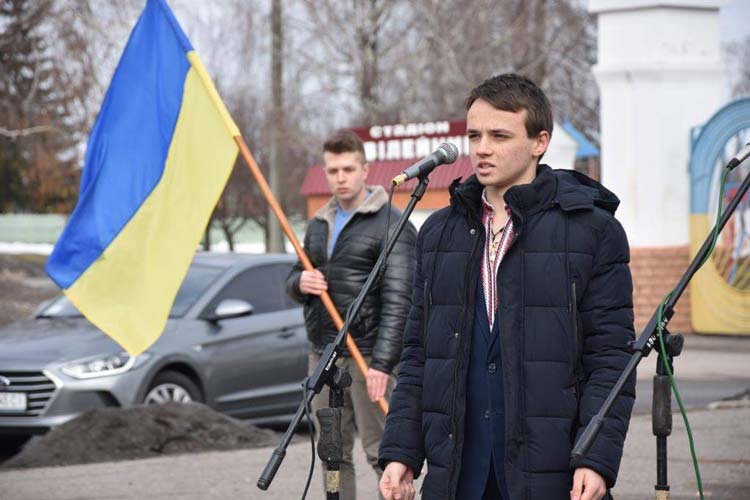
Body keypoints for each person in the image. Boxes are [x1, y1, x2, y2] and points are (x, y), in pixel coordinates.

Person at [378, 74, 636, 500]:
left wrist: (594, 456)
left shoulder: (592, 231)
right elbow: (419, 355)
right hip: (458, 473)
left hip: (551, 472)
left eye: (499, 135)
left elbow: (611, 359)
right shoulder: (439, 232)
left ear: (540, 142)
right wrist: (402, 452)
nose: (482, 148)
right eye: (474, 135)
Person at [286, 129, 417, 499]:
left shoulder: (391, 223)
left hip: (369, 357)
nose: (340, 178)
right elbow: (293, 277)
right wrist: (300, 282)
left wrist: (384, 363)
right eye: (333, 170)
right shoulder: (318, 223)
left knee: (383, 453)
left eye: (348, 169)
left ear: (365, 170)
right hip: (323, 354)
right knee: (332, 455)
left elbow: (400, 298)